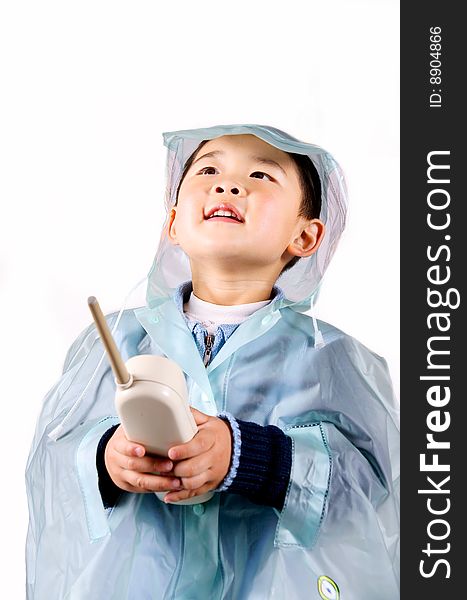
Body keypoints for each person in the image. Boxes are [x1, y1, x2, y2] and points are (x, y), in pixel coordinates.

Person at [25, 124, 400, 599]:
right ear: (174, 223)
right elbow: (53, 461)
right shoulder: (114, 343)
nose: (228, 185)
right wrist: (107, 460)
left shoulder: (333, 359)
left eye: (262, 176)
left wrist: (253, 457)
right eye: (208, 170)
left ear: (306, 236)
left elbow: (376, 489)